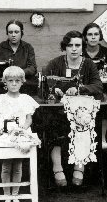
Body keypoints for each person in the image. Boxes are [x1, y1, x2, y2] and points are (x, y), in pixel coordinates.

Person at [42, 30, 103, 187]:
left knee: (82, 123)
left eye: (78, 45)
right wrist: (52, 90)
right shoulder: (55, 63)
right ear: (65, 47)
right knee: (52, 124)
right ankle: (57, 167)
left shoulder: (89, 64)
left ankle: (79, 166)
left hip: (81, 111)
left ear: (83, 47)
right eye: (70, 45)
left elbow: (98, 86)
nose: (74, 49)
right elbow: (43, 84)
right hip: (59, 111)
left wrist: (80, 89)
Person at [0, 66, 39, 202]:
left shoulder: (26, 99)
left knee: (17, 165)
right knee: (6, 166)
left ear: (22, 82)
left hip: (19, 137)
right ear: (5, 82)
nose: (14, 84)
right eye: (10, 81)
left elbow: (29, 119)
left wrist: (24, 127)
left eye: (17, 81)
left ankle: (15, 194)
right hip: (4, 136)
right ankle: (6, 194)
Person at [82, 23, 107, 150]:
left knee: (105, 108)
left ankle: (102, 138)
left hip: (100, 85)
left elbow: (106, 69)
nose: (93, 37)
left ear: (100, 36)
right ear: (85, 37)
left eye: (96, 34)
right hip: (84, 85)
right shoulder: (81, 50)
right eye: (90, 34)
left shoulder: (106, 52)